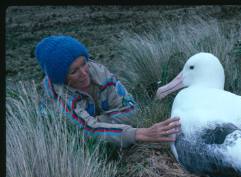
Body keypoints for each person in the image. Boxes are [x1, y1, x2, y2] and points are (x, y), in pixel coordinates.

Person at [35, 35, 180, 148]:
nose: (84, 73)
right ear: (61, 77)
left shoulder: (99, 73)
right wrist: (140, 133)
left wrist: (98, 122)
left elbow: (131, 108)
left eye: (84, 64)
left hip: (95, 126)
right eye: (74, 71)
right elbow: (88, 133)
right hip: (62, 142)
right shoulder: (57, 97)